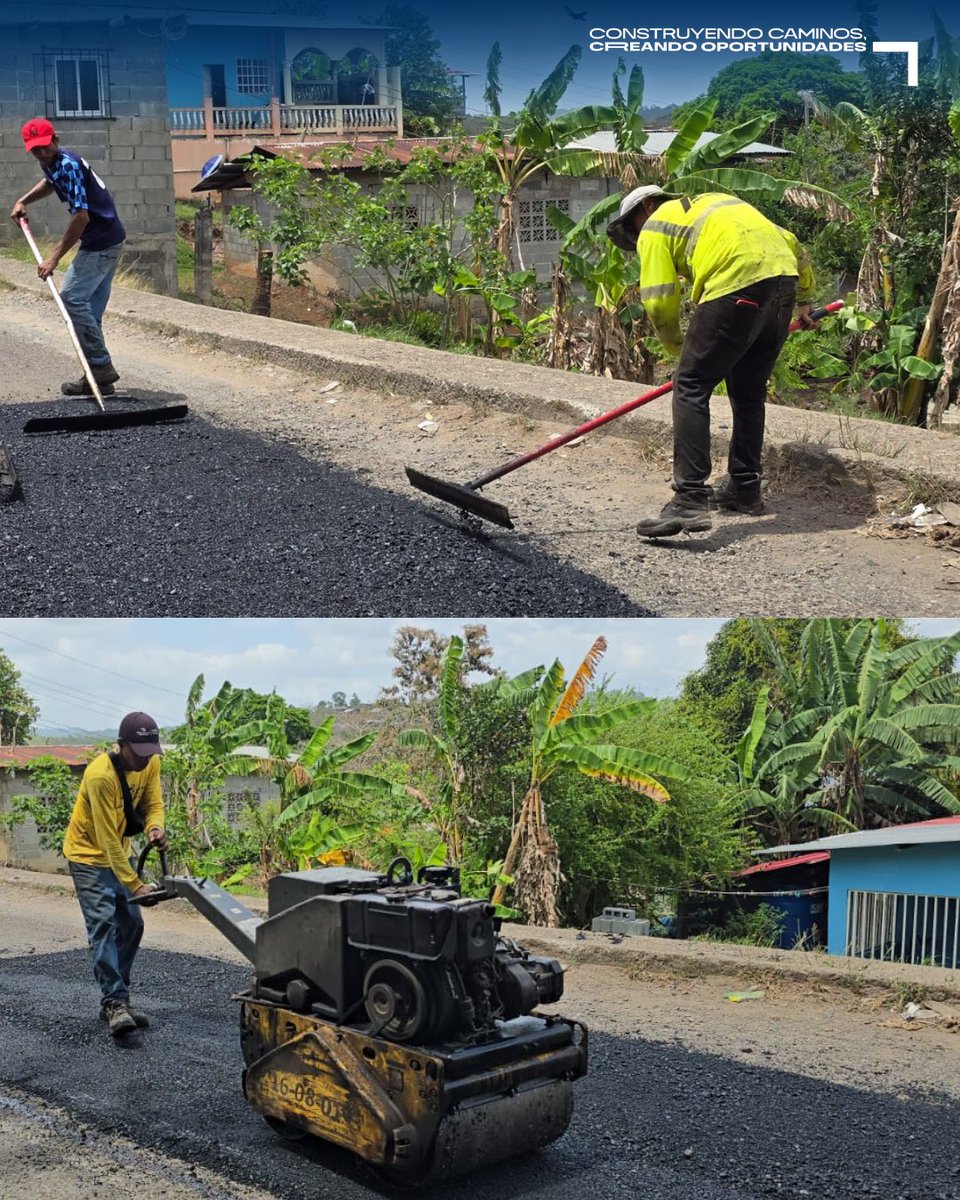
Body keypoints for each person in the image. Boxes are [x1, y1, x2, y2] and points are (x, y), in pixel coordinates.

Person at [606, 185, 817, 538]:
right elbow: (794, 243)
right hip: (782, 285)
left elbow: (658, 300)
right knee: (748, 392)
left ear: (647, 206)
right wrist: (806, 300)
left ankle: (689, 500)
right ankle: (745, 489)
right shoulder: (718, 203)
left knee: (690, 385)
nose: (636, 236)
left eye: (633, 228)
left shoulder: (656, 225)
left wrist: (677, 348)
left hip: (735, 286)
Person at [63, 712, 167, 1039]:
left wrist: (154, 827)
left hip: (118, 852)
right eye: (139, 752)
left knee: (133, 923)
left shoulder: (150, 762)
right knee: (104, 925)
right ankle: (114, 1003)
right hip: (87, 856)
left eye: (150, 750)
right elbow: (107, 839)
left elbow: (153, 803)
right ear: (121, 746)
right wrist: (135, 884)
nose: (145, 758)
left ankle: (118, 995)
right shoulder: (100, 776)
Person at [10, 117, 126, 397]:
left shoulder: (69, 165)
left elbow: (81, 217)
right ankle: (98, 380)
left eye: (45, 147)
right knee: (89, 313)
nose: (41, 153)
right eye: (35, 149)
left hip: (99, 242)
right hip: (110, 237)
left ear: (56, 140)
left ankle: (100, 366)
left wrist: (54, 258)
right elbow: (51, 182)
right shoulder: (52, 163)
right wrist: (23, 200)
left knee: (72, 299)